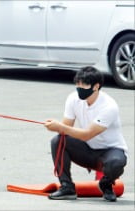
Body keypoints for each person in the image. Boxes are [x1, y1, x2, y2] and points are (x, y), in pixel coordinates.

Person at [44, 66, 128, 202]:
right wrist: (55, 126)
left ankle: (106, 183)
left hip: (109, 151)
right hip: (86, 149)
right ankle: (67, 187)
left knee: (116, 163)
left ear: (96, 86)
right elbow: (66, 128)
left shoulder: (109, 106)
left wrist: (60, 126)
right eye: (77, 84)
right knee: (58, 140)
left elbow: (88, 134)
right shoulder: (73, 98)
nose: (79, 87)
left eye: (84, 84)